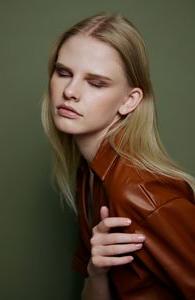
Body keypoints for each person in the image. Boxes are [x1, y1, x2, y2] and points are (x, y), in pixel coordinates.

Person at [42, 13, 195, 300]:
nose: (70, 91)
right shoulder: (89, 174)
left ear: (129, 100)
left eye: (96, 83)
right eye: (63, 72)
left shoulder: (140, 193)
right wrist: (96, 271)